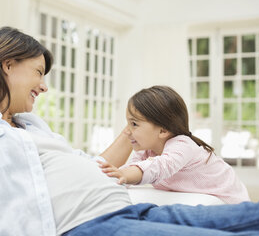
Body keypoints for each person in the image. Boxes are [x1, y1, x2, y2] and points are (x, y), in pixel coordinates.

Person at [0, 27, 259, 236]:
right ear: (7, 65)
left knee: (252, 215)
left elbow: (94, 166)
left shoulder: (33, 126)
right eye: (39, 72)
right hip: (93, 226)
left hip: (131, 210)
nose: (44, 87)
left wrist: (136, 125)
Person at [98, 86, 250, 204]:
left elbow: (158, 167)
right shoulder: (146, 151)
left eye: (134, 124)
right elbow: (131, 169)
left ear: (163, 130)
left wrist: (124, 175)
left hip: (230, 200)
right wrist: (114, 179)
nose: (127, 131)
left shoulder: (183, 145)